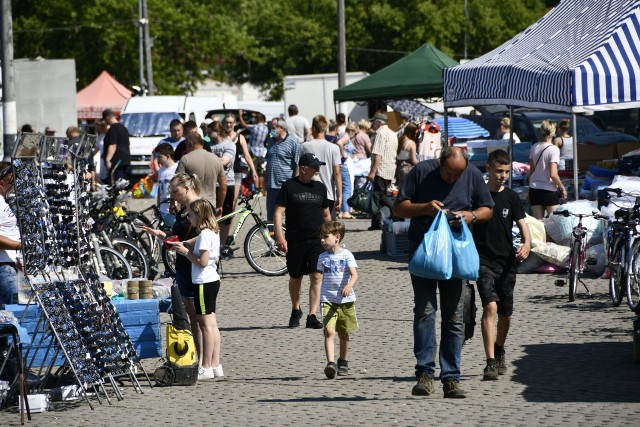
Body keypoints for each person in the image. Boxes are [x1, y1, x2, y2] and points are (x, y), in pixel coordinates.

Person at [393, 146, 494, 399]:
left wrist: (470, 216)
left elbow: (487, 208)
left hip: (456, 256)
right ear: (440, 164)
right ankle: (425, 374)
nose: (453, 179)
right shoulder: (421, 172)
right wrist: (425, 208)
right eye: (449, 174)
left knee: (454, 317)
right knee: (425, 312)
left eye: (457, 175)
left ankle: (451, 377)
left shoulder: (470, 174)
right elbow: (399, 208)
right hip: (424, 254)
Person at [473, 149, 531, 380]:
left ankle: (499, 348)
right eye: (499, 171)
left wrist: (527, 243)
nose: (503, 175)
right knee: (491, 307)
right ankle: (489, 362)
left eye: (506, 171)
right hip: (483, 260)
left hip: (507, 261)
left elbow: (522, 223)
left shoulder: (511, 197)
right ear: (488, 169)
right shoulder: (478, 197)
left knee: (506, 314)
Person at [143, 173, 202, 361]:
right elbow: (175, 238)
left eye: (175, 191)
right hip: (183, 266)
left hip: (195, 266)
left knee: (200, 320)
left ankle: (205, 361)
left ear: (187, 188)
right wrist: (161, 235)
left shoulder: (200, 207)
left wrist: (183, 245)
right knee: (191, 317)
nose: (173, 195)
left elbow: (206, 238)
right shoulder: (183, 209)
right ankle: (198, 358)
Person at [274, 153, 331, 329]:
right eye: (314, 166)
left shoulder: (320, 188)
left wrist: (332, 238)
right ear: (303, 168)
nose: (318, 169)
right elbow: (278, 213)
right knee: (295, 277)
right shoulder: (289, 186)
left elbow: (327, 214)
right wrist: (279, 236)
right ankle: (295, 308)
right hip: (295, 239)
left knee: (316, 275)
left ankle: (312, 315)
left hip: (316, 240)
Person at [171, 199, 223, 380]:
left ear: (199, 215)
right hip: (212, 281)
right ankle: (215, 364)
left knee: (206, 326)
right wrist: (183, 245)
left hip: (204, 282)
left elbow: (202, 261)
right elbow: (193, 244)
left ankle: (206, 366)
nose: (189, 218)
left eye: (191, 215)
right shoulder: (212, 232)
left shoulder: (205, 234)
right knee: (212, 324)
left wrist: (185, 253)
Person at [318, 221, 358, 379]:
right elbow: (318, 279)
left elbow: (354, 274)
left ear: (337, 237)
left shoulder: (346, 255)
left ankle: (343, 361)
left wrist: (349, 285)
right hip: (327, 299)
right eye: (320, 237)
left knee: (343, 333)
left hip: (345, 300)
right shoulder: (322, 257)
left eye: (325, 237)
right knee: (329, 331)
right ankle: (331, 363)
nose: (321, 240)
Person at [299, 115, 342, 219]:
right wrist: (340, 195)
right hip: (328, 194)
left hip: (308, 193)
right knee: (328, 230)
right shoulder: (334, 148)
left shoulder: (304, 146)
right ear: (325, 129)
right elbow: (337, 173)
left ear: (313, 128)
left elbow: (300, 170)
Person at [176, 134, 227, 216]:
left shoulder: (185, 159)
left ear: (190, 144)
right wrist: (220, 205)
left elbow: (177, 183)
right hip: (210, 205)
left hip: (192, 205)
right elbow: (223, 185)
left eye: (186, 146)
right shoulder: (216, 159)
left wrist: (177, 202)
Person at [528, 119, 567, 219]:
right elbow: (553, 174)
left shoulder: (534, 147)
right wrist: (562, 187)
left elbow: (531, 171)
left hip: (535, 189)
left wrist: (529, 191)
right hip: (548, 190)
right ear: (553, 132)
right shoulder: (554, 149)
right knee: (554, 224)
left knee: (538, 225)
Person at [265, 119, 300, 221]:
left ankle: (289, 236)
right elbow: (268, 161)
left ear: (282, 128)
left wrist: (296, 184)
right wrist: (265, 179)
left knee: (289, 216)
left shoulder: (293, 142)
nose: (271, 130)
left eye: (273, 128)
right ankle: (273, 237)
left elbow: (298, 163)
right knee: (271, 217)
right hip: (271, 186)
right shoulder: (271, 141)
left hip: (286, 185)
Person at [367, 113, 398, 230]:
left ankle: (395, 208)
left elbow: (378, 154)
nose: (373, 124)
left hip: (381, 169)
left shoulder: (380, 133)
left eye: (374, 122)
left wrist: (372, 172)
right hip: (390, 168)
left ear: (378, 122)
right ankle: (376, 223)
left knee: (379, 196)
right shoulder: (392, 133)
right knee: (380, 196)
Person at [210, 121, 236, 243]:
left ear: (218, 132)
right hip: (211, 184)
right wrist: (219, 160)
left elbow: (224, 161)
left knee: (226, 217)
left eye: (210, 132)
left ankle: (223, 244)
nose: (208, 135)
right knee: (211, 217)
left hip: (227, 183)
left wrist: (211, 161)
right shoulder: (208, 145)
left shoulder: (229, 145)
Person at [0, 163, 21, 308]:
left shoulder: (5, 201)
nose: (15, 187)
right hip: (4, 267)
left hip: (11, 264)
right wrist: (20, 246)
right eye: (12, 182)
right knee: (14, 311)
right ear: (2, 183)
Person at [238, 110, 268, 193]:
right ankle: (262, 190)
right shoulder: (266, 128)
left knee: (253, 171)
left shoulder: (255, 127)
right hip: (262, 152)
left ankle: (256, 189)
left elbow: (243, 124)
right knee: (261, 171)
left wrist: (240, 116)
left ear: (257, 119)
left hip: (253, 152)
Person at [102, 108, 131, 184]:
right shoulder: (123, 128)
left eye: (105, 120)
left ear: (107, 117)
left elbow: (113, 145)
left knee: (117, 183)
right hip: (125, 159)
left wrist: (108, 159)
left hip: (117, 160)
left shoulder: (113, 129)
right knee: (122, 182)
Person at [336, 123, 357, 219]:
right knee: (347, 188)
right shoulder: (346, 136)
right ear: (352, 131)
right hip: (344, 164)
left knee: (341, 188)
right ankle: (345, 211)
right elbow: (339, 143)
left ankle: (341, 210)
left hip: (339, 164)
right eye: (355, 133)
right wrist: (343, 154)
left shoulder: (340, 135)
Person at [156, 143, 178, 227]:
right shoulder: (161, 170)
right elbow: (159, 188)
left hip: (173, 207)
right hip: (162, 207)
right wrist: (158, 204)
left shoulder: (177, 168)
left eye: (160, 157)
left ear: (168, 156)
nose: (158, 160)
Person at [396, 123, 419, 187]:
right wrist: (422, 163)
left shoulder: (400, 140)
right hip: (407, 169)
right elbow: (414, 160)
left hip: (398, 167)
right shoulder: (411, 143)